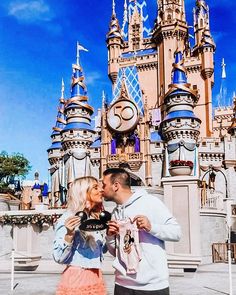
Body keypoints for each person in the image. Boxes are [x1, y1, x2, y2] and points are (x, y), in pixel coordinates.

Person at [102, 168, 181, 295]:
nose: (101, 189)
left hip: (152, 287)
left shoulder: (150, 202)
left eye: (104, 185)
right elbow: (116, 253)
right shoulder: (115, 214)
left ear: (116, 186)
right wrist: (110, 237)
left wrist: (151, 227)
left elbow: (176, 232)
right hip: (122, 285)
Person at [53, 176, 107, 295]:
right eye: (95, 188)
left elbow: (101, 250)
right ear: (83, 192)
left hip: (96, 277)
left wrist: (110, 235)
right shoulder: (68, 218)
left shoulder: (94, 218)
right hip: (78, 279)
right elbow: (58, 257)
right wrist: (69, 235)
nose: (101, 190)